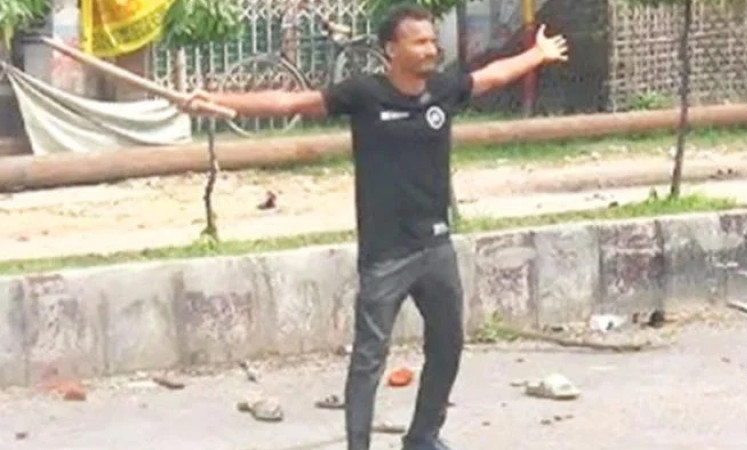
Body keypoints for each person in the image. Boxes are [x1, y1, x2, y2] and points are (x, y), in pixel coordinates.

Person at [184, 4, 568, 449]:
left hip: (436, 248)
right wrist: (220, 102)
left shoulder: (443, 89)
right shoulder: (365, 93)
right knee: (369, 360)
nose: (431, 48)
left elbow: (492, 76)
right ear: (391, 49)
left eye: (432, 40)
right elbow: (291, 102)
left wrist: (537, 54)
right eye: (419, 42)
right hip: (386, 255)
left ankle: (423, 436)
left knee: (448, 345)